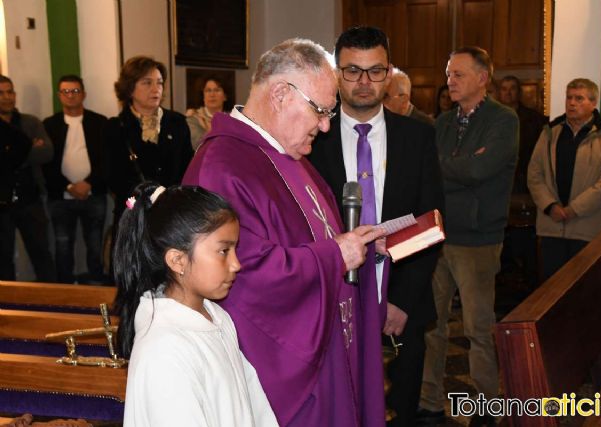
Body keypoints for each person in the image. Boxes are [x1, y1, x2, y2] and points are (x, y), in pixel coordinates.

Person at [182, 38, 385, 426]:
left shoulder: (287, 157)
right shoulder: (222, 166)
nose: (326, 126)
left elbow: (323, 234)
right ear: (280, 95)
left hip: (329, 351)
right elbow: (242, 274)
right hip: (279, 375)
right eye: (321, 111)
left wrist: (359, 244)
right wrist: (335, 256)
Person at [308, 26, 444, 427]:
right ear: (335, 74)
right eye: (352, 71)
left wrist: (402, 299)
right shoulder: (314, 139)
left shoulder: (418, 137)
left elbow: (430, 221)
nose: (364, 83)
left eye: (375, 71)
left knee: (398, 407)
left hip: (402, 294)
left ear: (389, 73)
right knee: (339, 404)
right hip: (332, 297)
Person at [113, 182, 277, 427]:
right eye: (224, 251)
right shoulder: (163, 350)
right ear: (178, 260)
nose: (236, 264)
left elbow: (253, 407)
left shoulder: (216, 317)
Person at [421, 47, 518, 427]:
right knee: (432, 324)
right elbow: (434, 171)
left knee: (478, 328)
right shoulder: (443, 122)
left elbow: (481, 169)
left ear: (482, 78)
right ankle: (428, 401)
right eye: (448, 74)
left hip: (478, 238)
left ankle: (486, 406)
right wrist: (459, 168)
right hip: (439, 232)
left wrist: (455, 168)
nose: (450, 81)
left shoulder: (503, 120)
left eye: (458, 74)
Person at [527, 78, 601, 281]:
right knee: (551, 289)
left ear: (593, 103)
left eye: (579, 98)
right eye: (569, 97)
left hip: (586, 227)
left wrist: (574, 209)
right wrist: (550, 205)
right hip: (551, 225)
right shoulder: (550, 132)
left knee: (584, 289)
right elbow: (534, 174)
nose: (571, 103)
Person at [104, 56, 193, 239]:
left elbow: (187, 167)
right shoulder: (115, 127)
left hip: (172, 215)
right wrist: (148, 198)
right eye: (147, 83)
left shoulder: (177, 122)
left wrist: (171, 198)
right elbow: (112, 176)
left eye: (160, 83)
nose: (156, 89)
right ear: (130, 88)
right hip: (132, 215)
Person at [43, 75, 108, 284]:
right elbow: (47, 164)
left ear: (84, 94)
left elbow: (106, 160)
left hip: (94, 194)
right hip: (60, 197)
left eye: (75, 91)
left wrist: (88, 183)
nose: (70, 95)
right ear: (59, 95)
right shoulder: (49, 125)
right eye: (65, 91)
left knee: (95, 245)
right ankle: (65, 289)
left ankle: (97, 288)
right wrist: (69, 186)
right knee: (62, 246)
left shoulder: (99, 122)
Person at [0, 75, 56, 282]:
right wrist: (28, 148)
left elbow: (47, 153)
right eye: (1, 93)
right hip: (2, 203)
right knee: (3, 258)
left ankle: (54, 306)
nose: (7, 97)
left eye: (10, 91)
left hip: (30, 199)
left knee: (42, 253)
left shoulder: (30, 122)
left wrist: (10, 155)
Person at [498, 75, 547, 286]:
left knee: (525, 236)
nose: (508, 93)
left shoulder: (533, 119)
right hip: (499, 184)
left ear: (519, 92)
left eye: (512, 89)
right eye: (504, 89)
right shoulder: (493, 118)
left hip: (526, 183)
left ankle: (527, 282)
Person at [186, 77, 229, 150]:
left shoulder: (232, 120)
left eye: (217, 90)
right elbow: (199, 146)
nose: (212, 94)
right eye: (208, 90)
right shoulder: (193, 119)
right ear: (203, 96)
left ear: (225, 96)